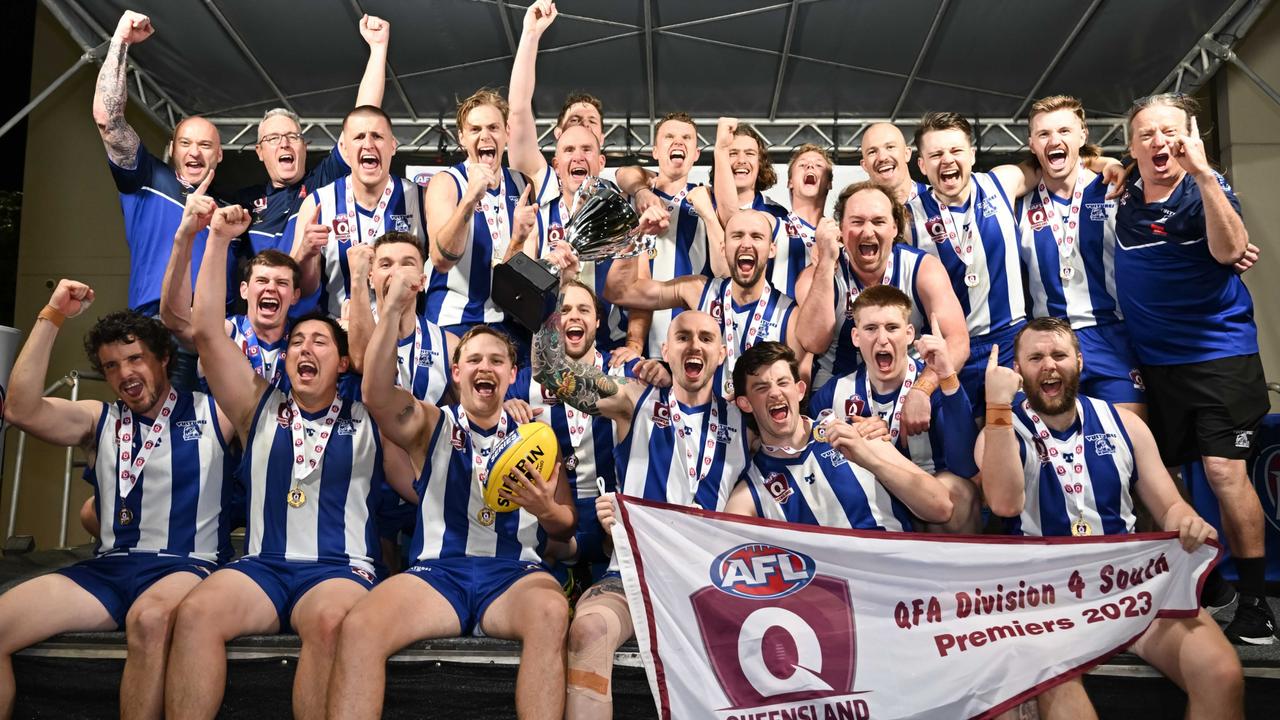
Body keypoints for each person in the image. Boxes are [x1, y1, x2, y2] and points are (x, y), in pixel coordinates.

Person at [164, 206, 394, 720]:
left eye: (320, 342)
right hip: (263, 566)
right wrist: (219, 239)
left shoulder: (370, 414)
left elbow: (374, 355)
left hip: (338, 569)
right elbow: (204, 329)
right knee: (197, 612)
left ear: (343, 362)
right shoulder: (256, 404)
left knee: (331, 623)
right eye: (296, 342)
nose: (304, 348)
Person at [326, 267, 576, 720]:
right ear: (457, 371)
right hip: (439, 574)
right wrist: (396, 309)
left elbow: (566, 526)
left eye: (497, 360)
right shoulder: (430, 424)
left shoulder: (538, 437)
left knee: (551, 613)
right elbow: (376, 391)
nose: (486, 367)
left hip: (513, 574)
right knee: (360, 627)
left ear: (512, 373)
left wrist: (546, 510)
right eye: (475, 360)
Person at [978, 317, 1245, 719]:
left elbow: (1169, 506)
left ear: (1080, 362)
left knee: (1221, 673)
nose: (1049, 365)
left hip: (1126, 586)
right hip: (1045, 600)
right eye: (1035, 357)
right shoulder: (999, 430)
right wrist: (997, 408)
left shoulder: (1125, 423)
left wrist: (1187, 520)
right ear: (1017, 371)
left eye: (1059, 355)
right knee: (1063, 700)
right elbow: (1003, 503)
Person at [532, 249, 751, 717]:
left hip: (714, 580)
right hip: (632, 576)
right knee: (588, 630)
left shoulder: (747, 419)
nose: (694, 346)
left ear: (722, 351)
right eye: (683, 337)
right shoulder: (633, 399)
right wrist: (556, 297)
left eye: (706, 338)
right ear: (664, 350)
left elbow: (803, 434)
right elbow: (554, 372)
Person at [0, 280, 233, 720]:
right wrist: (52, 315)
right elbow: (20, 409)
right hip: (109, 569)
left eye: (134, 359)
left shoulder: (214, 411)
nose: (124, 374)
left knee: (148, 620)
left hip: (187, 564)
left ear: (164, 358)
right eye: (110, 366)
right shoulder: (98, 418)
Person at [1113, 93, 1273, 644]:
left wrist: (1204, 176)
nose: (1161, 142)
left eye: (1171, 132)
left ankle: (1254, 600)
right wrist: (1104, 166)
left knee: (1226, 472)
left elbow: (1231, 251)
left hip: (1218, 357)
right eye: (1147, 134)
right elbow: (1088, 161)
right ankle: (1210, 588)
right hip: (1154, 363)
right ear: (1132, 146)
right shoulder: (1122, 191)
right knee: (1165, 478)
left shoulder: (1209, 188)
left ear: (1192, 138)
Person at [905, 112, 1120, 409]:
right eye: (936, 154)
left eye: (955, 151)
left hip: (1009, 342)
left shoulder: (1001, 182)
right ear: (921, 165)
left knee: (1019, 438)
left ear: (971, 154)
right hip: (951, 350)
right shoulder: (908, 217)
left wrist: (1104, 162)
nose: (947, 160)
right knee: (961, 448)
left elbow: (1055, 160)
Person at [505, 1, 648, 357]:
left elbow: (640, 285)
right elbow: (519, 110)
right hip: (543, 343)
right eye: (569, 149)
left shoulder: (621, 208)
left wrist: (634, 345)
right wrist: (531, 35)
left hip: (607, 347)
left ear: (602, 161)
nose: (578, 157)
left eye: (587, 149)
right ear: (555, 160)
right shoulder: (541, 194)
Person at [797, 181, 969, 437]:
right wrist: (826, 262)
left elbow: (958, 342)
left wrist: (923, 389)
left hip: (909, 389)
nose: (867, 232)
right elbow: (812, 341)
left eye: (878, 221)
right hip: (840, 394)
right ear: (841, 229)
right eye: (856, 222)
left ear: (894, 227)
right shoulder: (818, 275)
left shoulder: (923, 269)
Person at [724, 341, 952, 529]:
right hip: (826, 583)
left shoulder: (858, 432)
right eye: (761, 388)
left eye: (783, 382)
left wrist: (868, 459)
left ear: (800, 390)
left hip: (895, 573)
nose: (775, 392)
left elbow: (941, 507)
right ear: (745, 403)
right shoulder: (751, 490)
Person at [809, 285, 980, 532]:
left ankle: (957, 570)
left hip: (925, 503)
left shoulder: (936, 386)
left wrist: (948, 376)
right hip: (866, 499)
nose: (882, 339)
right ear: (856, 337)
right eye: (870, 329)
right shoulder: (833, 393)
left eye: (892, 328)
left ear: (910, 334)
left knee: (959, 492)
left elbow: (966, 467)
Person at [606, 210, 830, 397]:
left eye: (756, 236)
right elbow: (620, 291)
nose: (746, 244)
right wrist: (636, 235)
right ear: (723, 248)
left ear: (772, 249)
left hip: (754, 439)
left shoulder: (789, 317)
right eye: (737, 236)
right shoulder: (696, 291)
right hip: (700, 435)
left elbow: (796, 395)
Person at [1018, 95, 1145, 418]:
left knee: (1128, 439)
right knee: (1053, 450)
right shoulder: (1017, 203)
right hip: (1048, 341)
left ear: (1083, 136)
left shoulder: (1115, 189)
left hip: (1110, 334)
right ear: (1032, 143)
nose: (1054, 140)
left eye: (1064, 130)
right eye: (1044, 134)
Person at [93, 10, 227, 316]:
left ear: (219, 154)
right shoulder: (149, 178)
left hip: (216, 331)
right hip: (156, 324)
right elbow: (108, 119)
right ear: (171, 150)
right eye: (186, 143)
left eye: (205, 145)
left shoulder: (229, 210)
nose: (195, 152)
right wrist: (121, 42)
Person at [235, 14, 390, 255]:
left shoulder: (320, 184)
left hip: (307, 291)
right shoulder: (244, 202)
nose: (284, 144)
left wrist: (378, 49)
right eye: (273, 138)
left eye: (292, 137)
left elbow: (362, 119)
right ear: (259, 151)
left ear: (304, 147)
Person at [161, 176, 301, 389]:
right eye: (262, 280)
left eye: (281, 283)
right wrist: (185, 236)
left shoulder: (305, 337)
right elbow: (175, 319)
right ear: (243, 290)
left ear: (295, 296)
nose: (271, 288)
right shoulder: (226, 332)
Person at [290, 105, 427, 318]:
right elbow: (304, 288)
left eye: (377, 136)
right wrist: (306, 252)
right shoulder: (318, 203)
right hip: (340, 332)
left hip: (403, 335)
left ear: (393, 146)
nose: (368, 144)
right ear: (344, 148)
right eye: (359, 137)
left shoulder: (420, 199)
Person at [424, 89, 533, 344]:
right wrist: (470, 199)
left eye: (493, 127)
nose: (485, 136)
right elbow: (441, 260)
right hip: (453, 322)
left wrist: (518, 241)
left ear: (507, 132)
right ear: (462, 137)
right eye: (475, 130)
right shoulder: (446, 183)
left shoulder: (523, 185)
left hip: (509, 323)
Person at [614, 113, 723, 357]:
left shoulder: (707, 200)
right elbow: (623, 172)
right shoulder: (633, 197)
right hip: (635, 345)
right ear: (654, 151)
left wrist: (708, 213)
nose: (678, 142)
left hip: (693, 346)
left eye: (687, 138)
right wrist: (641, 191)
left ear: (696, 154)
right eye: (669, 136)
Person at [345, 234, 456, 405]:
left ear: (422, 281)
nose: (396, 273)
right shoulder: (348, 333)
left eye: (407, 264)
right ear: (371, 279)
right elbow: (362, 364)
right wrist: (357, 280)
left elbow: (467, 411)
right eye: (386, 265)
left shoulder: (448, 345)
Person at [710, 119, 809, 296]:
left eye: (749, 153)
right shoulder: (700, 201)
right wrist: (641, 190)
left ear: (760, 162)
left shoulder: (777, 213)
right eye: (732, 153)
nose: (741, 160)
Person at [860, 122, 927, 204]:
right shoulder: (855, 209)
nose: (882, 157)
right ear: (865, 165)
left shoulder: (940, 199)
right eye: (872, 152)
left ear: (907, 154)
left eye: (890, 147)